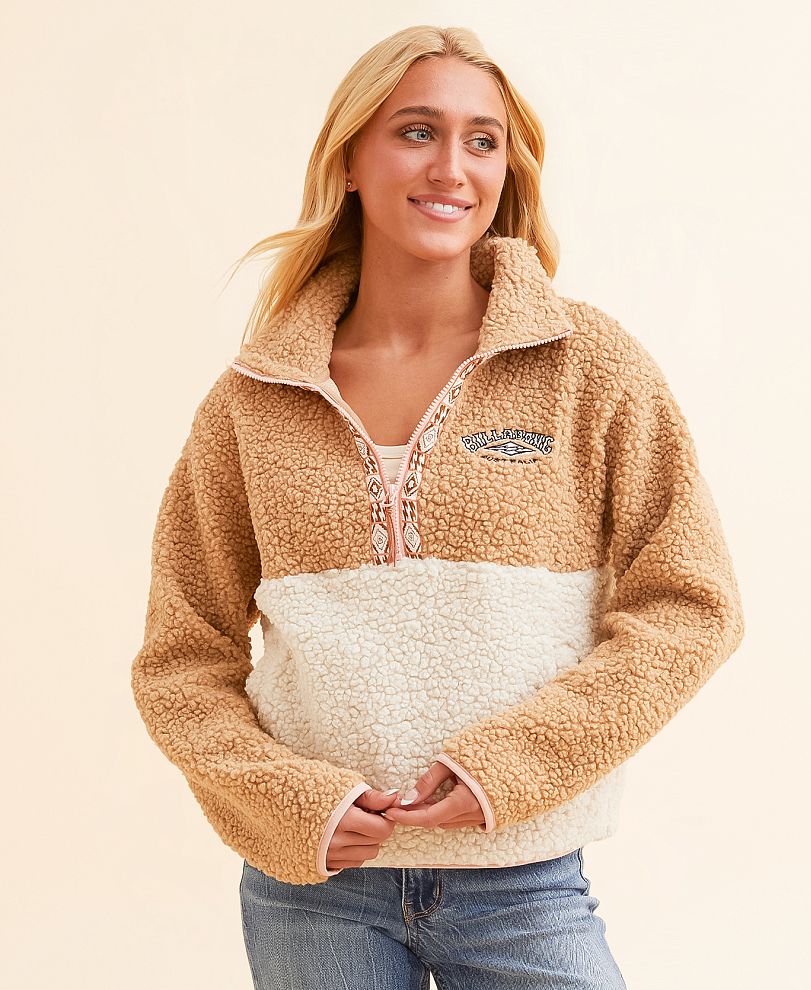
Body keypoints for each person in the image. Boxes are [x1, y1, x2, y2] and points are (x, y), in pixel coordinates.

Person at [131, 24, 745, 990]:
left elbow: (690, 605)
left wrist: (513, 765)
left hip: (523, 882)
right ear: (349, 161)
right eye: (416, 131)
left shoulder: (587, 367)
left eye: (481, 140)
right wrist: (291, 802)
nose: (451, 167)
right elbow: (181, 657)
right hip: (312, 891)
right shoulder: (254, 399)